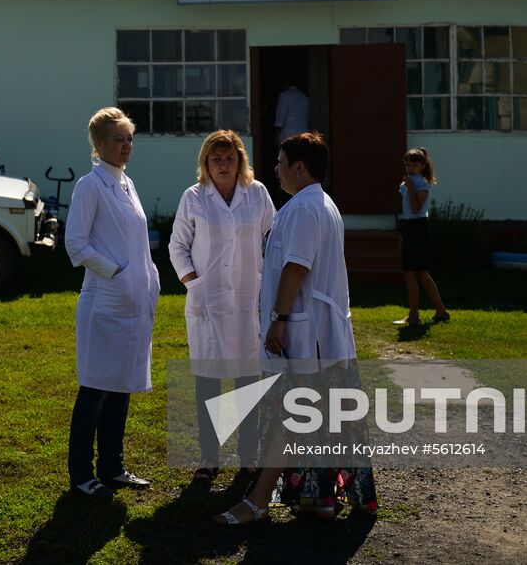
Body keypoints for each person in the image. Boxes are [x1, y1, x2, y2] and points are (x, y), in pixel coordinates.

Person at [215, 131, 368, 525]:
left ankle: (257, 501)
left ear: (300, 167)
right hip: (321, 333)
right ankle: (321, 497)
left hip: (305, 334)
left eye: (282, 163)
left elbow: (297, 267)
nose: (277, 170)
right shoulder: (321, 204)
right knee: (319, 419)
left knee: (289, 416)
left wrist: (278, 321)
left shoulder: (302, 208)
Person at [168, 130, 276, 480]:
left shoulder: (256, 194)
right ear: (206, 163)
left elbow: (272, 238)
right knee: (208, 381)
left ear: (240, 160)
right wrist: (194, 285)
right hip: (208, 302)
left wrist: (267, 285)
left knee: (248, 379)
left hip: (247, 299)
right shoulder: (194, 197)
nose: (223, 165)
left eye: (229, 158)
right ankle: (209, 456)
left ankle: (248, 454)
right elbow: (177, 247)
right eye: (216, 159)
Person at [64, 107, 161, 499]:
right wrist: (117, 273)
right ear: (99, 144)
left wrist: (148, 279)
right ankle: (82, 475)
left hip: (133, 305)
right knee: (94, 389)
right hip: (105, 305)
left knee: (120, 387)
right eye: (118, 139)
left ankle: (113, 466)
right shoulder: (91, 185)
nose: (126, 146)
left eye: (129, 139)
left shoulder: (126, 183)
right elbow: (76, 243)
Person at [393, 146, 450, 327]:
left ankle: (417, 314)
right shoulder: (407, 183)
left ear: (423, 165)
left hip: (419, 227)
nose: (410, 168)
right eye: (408, 164)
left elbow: (417, 208)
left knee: (417, 272)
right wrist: (403, 235)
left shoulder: (422, 184)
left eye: (415, 164)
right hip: (410, 227)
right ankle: (436, 311)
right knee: (413, 272)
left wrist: (410, 188)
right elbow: (407, 212)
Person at [273, 82, 310, 146]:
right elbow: (307, 117)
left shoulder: (284, 95)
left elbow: (280, 119)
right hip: (304, 132)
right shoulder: (304, 96)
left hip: (288, 133)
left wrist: (277, 136)